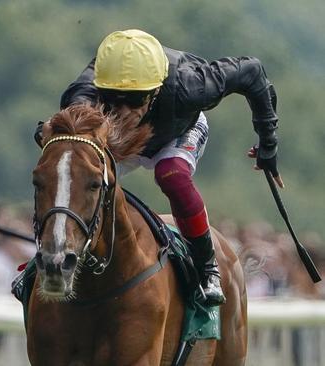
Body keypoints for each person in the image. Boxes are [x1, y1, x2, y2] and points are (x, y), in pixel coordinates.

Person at [53, 29, 282, 306]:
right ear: (100, 89)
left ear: (156, 90)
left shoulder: (192, 85)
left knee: (171, 174)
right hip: (115, 137)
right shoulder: (84, 96)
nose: (124, 110)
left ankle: (207, 268)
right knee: (74, 170)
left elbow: (252, 72)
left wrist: (268, 144)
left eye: (135, 99)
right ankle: (45, 258)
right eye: (113, 97)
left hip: (178, 131)